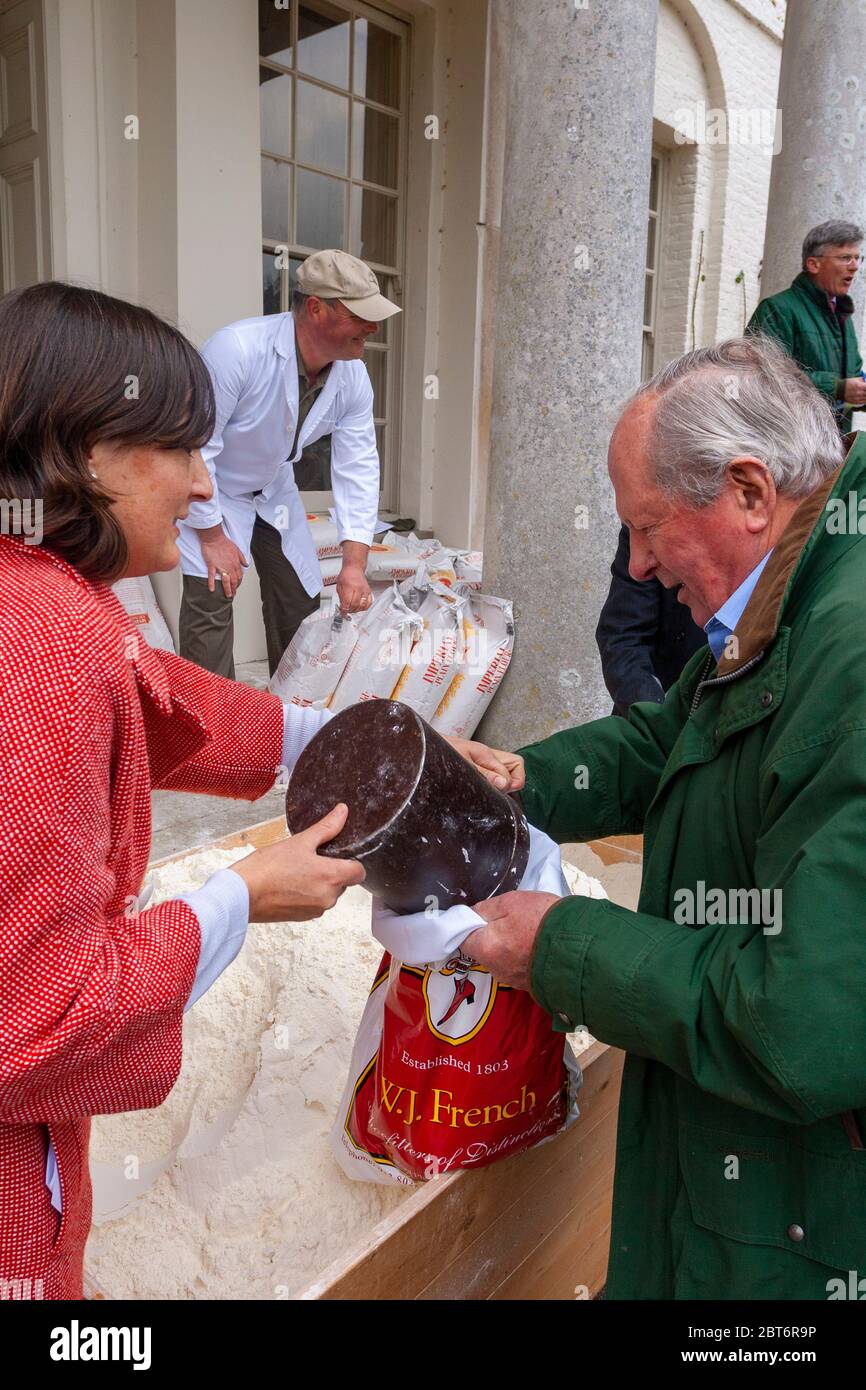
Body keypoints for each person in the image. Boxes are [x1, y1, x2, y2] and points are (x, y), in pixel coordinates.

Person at [0, 281, 523, 1300]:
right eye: (182, 451)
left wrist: (353, 733)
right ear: (91, 453)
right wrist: (243, 892)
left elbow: (160, 701)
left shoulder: (45, 594)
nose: (204, 487)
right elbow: (34, 1018)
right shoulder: (42, 642)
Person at [466, 335, 866, 1300]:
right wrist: (516, 779)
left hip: (800, 1229)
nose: (638, 569)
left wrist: (561, 944)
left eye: (648, 529)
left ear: (749, 492)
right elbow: (667, 739)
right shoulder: (785, 600)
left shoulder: (847, 654)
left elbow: (800, 1022)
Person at [177, 249, 397, 678]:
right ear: (316, 308)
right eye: (361, 317)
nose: (373, 328)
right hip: (214, 487)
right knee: (212, 603)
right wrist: (211, 536)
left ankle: (289, 716)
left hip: (272, 489)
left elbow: (358, 466)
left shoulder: (351, 374)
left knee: (299, 601)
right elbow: (196, 446)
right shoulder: (236, 350)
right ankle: (216, 734)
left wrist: (354, 565)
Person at [748, 219, 865, 433]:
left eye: (858, 258)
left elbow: (854, 374)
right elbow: (761, 376)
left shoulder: (842, 316)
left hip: (832, 447)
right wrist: (837, 388)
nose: (855, 266)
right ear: (813, 264)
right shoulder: (777, 309)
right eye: (845, 258)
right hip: (791, 446)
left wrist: (860, 392)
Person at [595, 523, 705, 716]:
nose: (637, 566)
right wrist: (658, 718)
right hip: (653, 722)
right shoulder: (640, 519)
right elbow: (622, 636)